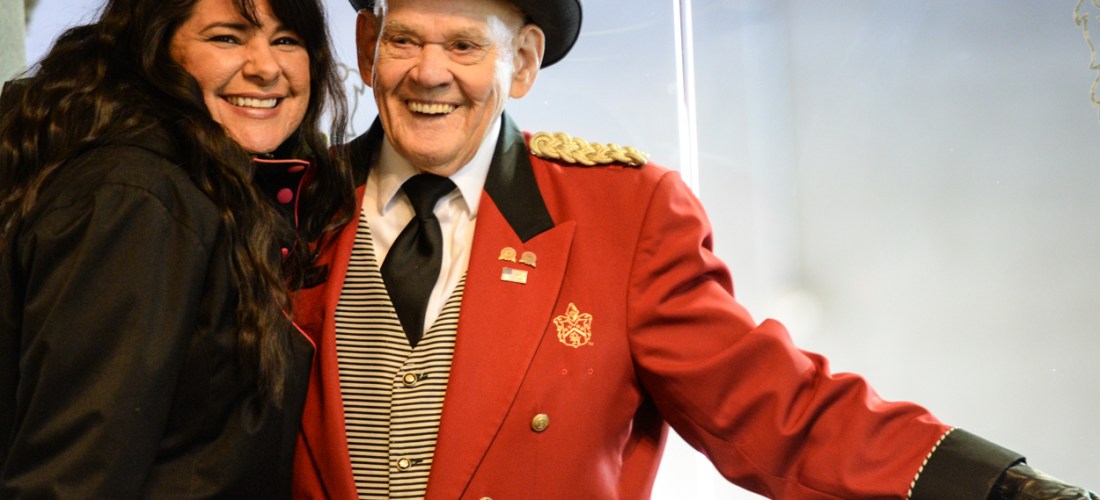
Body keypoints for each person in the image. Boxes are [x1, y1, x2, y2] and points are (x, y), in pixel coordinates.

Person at [290, 0, 1098, 498]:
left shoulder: (623, 214)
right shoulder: (285, 209)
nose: (429, 73)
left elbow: (776, 411)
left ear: (525, 62)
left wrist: (996, 491)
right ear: (367, 46)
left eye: (465, 46)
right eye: (404, 41)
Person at [0, 0, 354, 496]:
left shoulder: (215, 186)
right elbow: (72, 474)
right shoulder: (137, 200)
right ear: (154, 49)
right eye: (226, 38)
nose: (265, 66)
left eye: (286, 40)